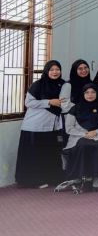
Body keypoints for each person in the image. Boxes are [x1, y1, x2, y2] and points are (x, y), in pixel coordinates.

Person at [16, 60, 65, 188]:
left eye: (57, 69)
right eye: (52, 70)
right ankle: (32, 181)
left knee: (49, 153)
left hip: (52, 125)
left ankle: (49, 178)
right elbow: (29, 102)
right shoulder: (38, 85)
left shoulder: (63, 84)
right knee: (34, 155)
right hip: (35, 125)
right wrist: (49, 102)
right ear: (46, 71)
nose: (55, 72)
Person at [62, 84, 98, 191]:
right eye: (87, 92)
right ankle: (81, 176)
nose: (90, 95)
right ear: (83, 94)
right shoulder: (74, 109)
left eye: (93, 92)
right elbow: (69, 128)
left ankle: (96, 176)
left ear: (97, 94)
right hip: (78, 136)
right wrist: (85, 134)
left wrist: (95, 132)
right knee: (83, 144)